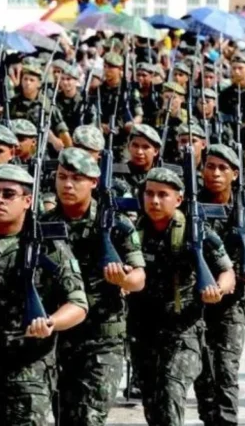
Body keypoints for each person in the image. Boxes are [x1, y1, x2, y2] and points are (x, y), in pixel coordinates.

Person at [0, 164, 88, 425]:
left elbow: (77, 303)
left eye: (8, 194)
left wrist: (51, 322)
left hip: (29, 369)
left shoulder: (48, 246)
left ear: (27, 201)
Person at [41, 148, 145, 426]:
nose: (68, 184)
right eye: (62, 177)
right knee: (65, 417)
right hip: (60, 337)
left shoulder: (115, 224)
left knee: (89, 418)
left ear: (93, 182)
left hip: (102, 339)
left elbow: (139, 277)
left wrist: (122, 279)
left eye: (77, 178)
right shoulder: (44, 225)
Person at [130, 166, 235, 426]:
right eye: (149, 194)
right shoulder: (131, 231)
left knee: (170, 392)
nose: (154, 201)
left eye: (162, 195)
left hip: (182, 330)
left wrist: (218, 290)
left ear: (178, 199)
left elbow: (227, 272)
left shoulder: (195, 231)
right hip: (144, 330)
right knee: (153, 405)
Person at [194, 144, 245, 426]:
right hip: (197, 302)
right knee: (204, 372)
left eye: (222, 168)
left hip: (232, 304)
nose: (215, 173)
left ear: (235, 174)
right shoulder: (191, 207)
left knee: (226, 370)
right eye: (210, 167)